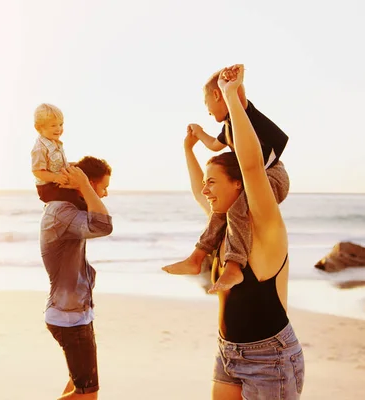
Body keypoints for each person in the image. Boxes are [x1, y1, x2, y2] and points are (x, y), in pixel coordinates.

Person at [177, 65, 305, 399]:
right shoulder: (227, 226)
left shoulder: (264, 224)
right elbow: (196, 191)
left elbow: (250, 166)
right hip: (228, 352)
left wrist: (233, 97)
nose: (206, 191)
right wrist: (189, 149)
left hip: (269, 358)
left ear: (238, 185)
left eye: (213, 183)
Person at [163, 68, 290, 292]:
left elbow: (251, 166)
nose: (208, 112)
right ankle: (196, 257)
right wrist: (192, 143)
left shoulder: (242, 119)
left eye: (206, 104)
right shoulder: (229, 129)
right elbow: (213, 147)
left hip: (272, 176)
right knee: (222, 214)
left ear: (217, 96)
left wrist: (232, 88)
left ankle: (234, 266)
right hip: (251, 178)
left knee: (234, 211)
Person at [40, 156, 113, 399]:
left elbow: (96, 218)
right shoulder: (62, 212)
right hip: (68, 317)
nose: (105, 194)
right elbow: (102, 225)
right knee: (87, 395)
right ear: (90, 183)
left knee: (77, 385)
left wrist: (83, 187)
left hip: (76, 313)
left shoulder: (68, 208)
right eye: (103, 187)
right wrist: (83, 186)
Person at [31, 103, 87, 210]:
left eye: (61, 124)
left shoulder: (55, 143)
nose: (58, 129)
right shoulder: (40, 148)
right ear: (39, 128)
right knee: (76, 202)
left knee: (82, 192)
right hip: (48, 188)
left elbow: (56, 164)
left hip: (57, 183)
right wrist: (55, 177)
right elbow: (37, 171)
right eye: (53, 126)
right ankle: (85, 217)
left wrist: (71, 165)